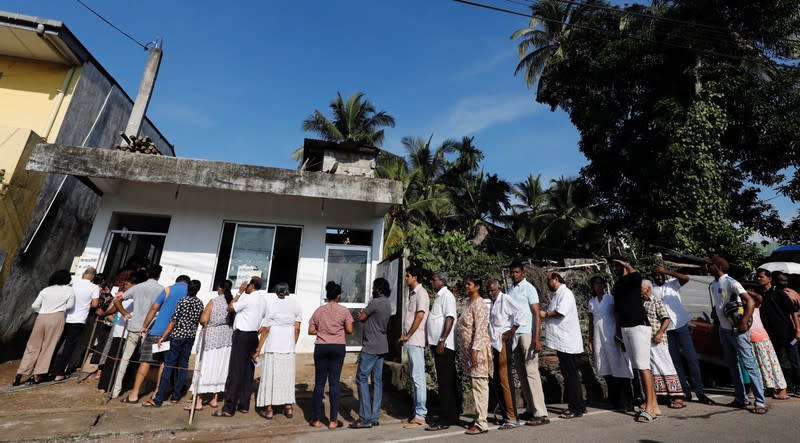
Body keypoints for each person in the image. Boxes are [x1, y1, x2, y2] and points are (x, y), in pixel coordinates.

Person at [707, 255, 767, 414]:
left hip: (737, 330)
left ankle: (760, 402)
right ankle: (741, 398)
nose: (707, 267)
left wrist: (744, 321)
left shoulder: (731, 282)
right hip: (724, 330)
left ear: (718, 267)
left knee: (749, 364)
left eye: (710, 265)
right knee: (733, 365)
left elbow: (750, 301)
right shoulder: (713, 284)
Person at [121, 274, 190, 404]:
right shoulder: (189, 292)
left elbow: (154, 307)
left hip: (157, 330)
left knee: (146, 361)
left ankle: (134, 394)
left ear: (176, 281)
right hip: (173, 333)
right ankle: (158, 392)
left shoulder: (168, 289)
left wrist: (145, 325)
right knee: (163, 362)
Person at [651, 265, 714, 404]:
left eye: (660, 275)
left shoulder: (672, 283)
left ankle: (699, 391)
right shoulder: (652, 289)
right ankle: (684, 391)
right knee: (675, 361)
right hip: (666, 329)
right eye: (656, 275)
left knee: (691, 358)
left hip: (680, 325)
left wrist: (666, 270)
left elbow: (686, 278)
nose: (658, 277)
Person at [610, 257, 658, 423]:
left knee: (644, 367)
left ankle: (650, 408)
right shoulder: (616, 285)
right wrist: (617, 330)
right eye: (612, 266)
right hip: (625, 327)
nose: (614, 268)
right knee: (638, 366)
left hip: (639, 325)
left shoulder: (634, 279)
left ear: (623, 265)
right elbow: (617, 310)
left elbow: (637, 275)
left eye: (617, 265)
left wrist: (625, 264)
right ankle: (654, 404)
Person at [213, 277, 268, 417]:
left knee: (236, 371)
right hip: (253, 336)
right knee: (248, 371)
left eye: (247, 284)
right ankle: (244, 405)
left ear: (252, 286)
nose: (245, 286)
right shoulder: (263, 300)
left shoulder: (247, 298)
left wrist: (239, 293)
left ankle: (229, 408)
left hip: (242, 335)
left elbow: (230, 307)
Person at [145, 280, 204, 407]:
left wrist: (163, 336)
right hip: (190, 337)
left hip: (177, 336)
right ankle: (176, 396)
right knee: (183, 366)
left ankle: (159, 398)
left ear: (188, 288)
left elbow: (173, 321)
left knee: (168, 365)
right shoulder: (200, 303)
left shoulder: (182, 301)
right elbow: (199, 320)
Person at [111, 264, 164, 399]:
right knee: (145, 361)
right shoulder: (162, 290)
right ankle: (142, 387)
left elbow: (117, 300)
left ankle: (116, 389)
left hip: (134, 326)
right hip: (150, 328)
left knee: (125, 359)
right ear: (159, 275)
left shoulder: (137, 287)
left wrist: (124, 313)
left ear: (147, 274)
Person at [13, 270, 75, 386]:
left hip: (41, 317)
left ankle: (20, 372)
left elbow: (34, 305)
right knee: (48, 346)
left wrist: (42, 311)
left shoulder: (46, 290)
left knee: (32, 345)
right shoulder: (69, 290)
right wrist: (60, 308)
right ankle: (37, 375)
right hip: (57, 317)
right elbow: (70, 305)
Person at [506, 261, 549, 426]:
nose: (514, 274)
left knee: (531, 371)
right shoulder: (510, 289)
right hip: (514, 335)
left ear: (522, 273)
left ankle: (541, 412)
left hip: (527, 333)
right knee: (521, 373)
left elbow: (537, 314)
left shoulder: (529, 288)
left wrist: (537, 338)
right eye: (512, 272)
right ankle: (531, 409)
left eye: (517, 272)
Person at [308, 281, 353, 429]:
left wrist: (321, 331)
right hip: (338, 347)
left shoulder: (319, 311)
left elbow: (311, 330)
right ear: (338, 296)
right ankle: (333, 420)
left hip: (321, 347)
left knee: (319, 383)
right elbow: (350, 330)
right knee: (334, 383)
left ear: (327, 295)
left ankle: (316, 420)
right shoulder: (344, 311)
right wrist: (338, 331)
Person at [254, 282, 302, 419]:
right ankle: (288, 407)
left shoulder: (272, 305)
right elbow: (297, 328)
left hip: (274, 344)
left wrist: (258, 349)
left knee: (271, 376)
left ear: (276, 292)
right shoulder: (296, 304)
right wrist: (292, 343)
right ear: (288, 291)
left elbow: (266, 329)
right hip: (288, 345)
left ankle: (269, 410)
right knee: (287, 375)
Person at [541, 272, 585, 419]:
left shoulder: (565, 293)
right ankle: (578, 405)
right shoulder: (559, 294)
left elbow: (560, 312)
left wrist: (545, 314)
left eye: (549, 281)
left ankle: (576, 407)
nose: (548, 283)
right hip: (562, 341)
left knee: (571, 375)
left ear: (556, 279)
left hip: (567, 341)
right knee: (570, 374)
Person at [350, 278, 392, 429]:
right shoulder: (387, 303)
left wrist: (361, 314)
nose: (372, 290)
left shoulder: (375, 302)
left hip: (371, 346)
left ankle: (364, 417)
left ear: (378, 289)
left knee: (361, 378)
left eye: (374, 287)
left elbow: (361, 317)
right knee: (377, 381)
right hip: (382, 345)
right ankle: (374, 416)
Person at [587, 276, 633, 410]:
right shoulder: (592, 302)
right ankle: (614, 399)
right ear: (593, 286)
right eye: (596, 284)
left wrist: (618, 332)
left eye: (601, 283)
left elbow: (618, 315)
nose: (599, 286)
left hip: (611, 333)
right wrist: (590, 339)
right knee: (604, 365)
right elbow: (591, 321)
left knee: (618, 364)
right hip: (598, 337)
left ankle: (627, 400)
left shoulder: (610, 299)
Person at [187, 280, 234, 410]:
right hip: (226, 337)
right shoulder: (232, 301)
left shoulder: (214, 301)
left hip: (211, 338)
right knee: (219, 367)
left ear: (220, 288)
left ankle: (199, 401)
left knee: (205, 367)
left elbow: (203, 319)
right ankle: (214, 399)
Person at [754, 269, 800, 397]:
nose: (759, 279)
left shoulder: (779, 293)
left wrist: (797, 330)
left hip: (787, 332)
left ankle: (798, 386)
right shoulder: (758, 295)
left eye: (761, 277)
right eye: (757, 277)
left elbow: (793, 312)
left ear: (769, 279)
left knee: (794, 360)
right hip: (770, 334)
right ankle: (777, 387)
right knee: (775, 361)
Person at [422, 271, 459, 432]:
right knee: (445, 381)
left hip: (444, 345)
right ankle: (451, 414)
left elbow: (450, 318)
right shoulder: (439, 296)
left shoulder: (447, 296)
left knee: (445, 383)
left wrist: (442, 340)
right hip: (437, 344)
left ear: (442, 281)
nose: (431, 282)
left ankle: (446, 419)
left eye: (434, 279)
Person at [641, 279, 684, 410]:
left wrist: (660, 333)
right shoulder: (641, 303)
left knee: (666, 366)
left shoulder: (656, 301)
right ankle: (656, 397)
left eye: (641, 288)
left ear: (647, 288)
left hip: (658, 340)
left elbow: (666, 319)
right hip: (646, 340)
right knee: (653, 368)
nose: (639, 291)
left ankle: (677, 396)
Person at [457, 276, 493, 435]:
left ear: (477, 286)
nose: (466, 286)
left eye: (469, 284)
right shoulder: (469, 302)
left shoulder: (479, 304)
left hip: (477, 350)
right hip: (470, 350)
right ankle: (480, 417)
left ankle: (482, 423)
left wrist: (474, 351)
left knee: (480, 385)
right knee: (476, 385)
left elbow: (480, 329)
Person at [51, 267, 100, 381]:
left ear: (84, 274)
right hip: (79, 319)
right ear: (93, 276)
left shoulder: (73, 283)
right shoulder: (94, 287)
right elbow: (95, 304)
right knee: (69, 346)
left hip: (65, 317)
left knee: (57, 343)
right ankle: (59, 373)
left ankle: (47, 369)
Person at [487, 279, 522, 429]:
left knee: (505, 378)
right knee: (497, 379)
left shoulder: (505, 299)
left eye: (493, 290)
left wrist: (512, 331)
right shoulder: (491, 303)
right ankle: (505, 414)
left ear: (498, 289)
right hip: (494, 342)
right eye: (489, 291)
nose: (491, 293)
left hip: (503, 340)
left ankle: (512, 417)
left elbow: (520, 313)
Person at [399, 266, 430, 428]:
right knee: (414, 377)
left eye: (408, 276)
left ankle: (420, 415)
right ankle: (415, 413)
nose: (406, 278)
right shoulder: (413, 294)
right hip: (411, 341)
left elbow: (420, 315)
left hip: (416, 340)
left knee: (418, 378)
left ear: (415, 277)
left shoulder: (421, 293)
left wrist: (408, 335)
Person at [747, 288, 789, 399]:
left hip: (762, 339)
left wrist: (748, 292)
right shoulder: (743, 307)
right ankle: (766, 388)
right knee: (758, 366)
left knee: (771, 365)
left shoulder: (754, 306)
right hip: (751, 340)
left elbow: (760, 298)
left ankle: (782, 390)